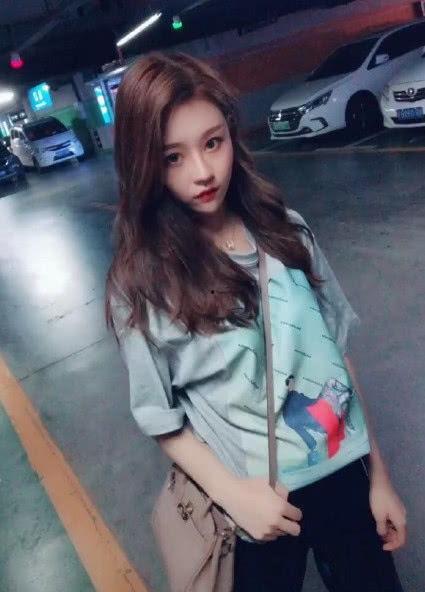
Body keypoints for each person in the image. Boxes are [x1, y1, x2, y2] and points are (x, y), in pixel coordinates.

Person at [105, 51, 407, 591]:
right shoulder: (144, 282)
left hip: (344, 479)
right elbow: (160, 417)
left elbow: (337, 357)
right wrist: (236, 497)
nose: (202, 172)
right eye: (172, 157)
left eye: (212, 143)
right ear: (143, 164)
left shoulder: (287, 232)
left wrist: (377, 478)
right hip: (252, 503)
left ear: (231, 136)